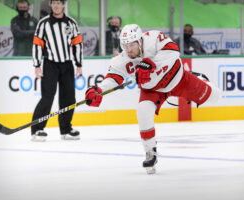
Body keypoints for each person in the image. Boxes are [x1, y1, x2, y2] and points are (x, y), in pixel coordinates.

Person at [85, 24, 220, 174]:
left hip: (178, 79)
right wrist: (98, 90)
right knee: (142, 111)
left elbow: (173, 51)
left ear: (140, 41)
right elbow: (113, 77)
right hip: (152, 89)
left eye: (132, 45)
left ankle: (199, 78)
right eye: (125, 45)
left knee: (215, 96)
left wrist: (152, 65)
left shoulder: (153, 38)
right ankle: (150, 152)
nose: (128, 49)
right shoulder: (121, 59)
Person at [31, 0, 83, 142]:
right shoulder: (44, 23)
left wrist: (79, 65)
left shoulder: (71, 23)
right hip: (50, 64)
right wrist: (37, 65)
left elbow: (77, 44)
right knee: (47, 97)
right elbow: (37, 44)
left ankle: (66, 129)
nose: (56, 5)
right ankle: (37, 130)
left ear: (63, 5)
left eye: (59, 3)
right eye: (54, 3)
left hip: (67, 65)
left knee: (69, 98)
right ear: (51, 5)